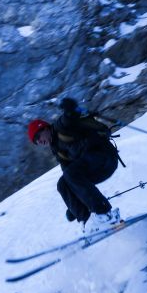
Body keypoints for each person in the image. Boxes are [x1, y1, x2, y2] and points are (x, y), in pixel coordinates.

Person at [28, 98, 123, 232]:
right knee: (63, 183)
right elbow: (69, 177)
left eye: (38, 136)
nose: (39, 141)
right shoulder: (57, 149)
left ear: (45, 128)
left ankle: (105, 214)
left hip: (104, 157)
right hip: (93, 167)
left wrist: (69, 109)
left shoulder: (60, 127)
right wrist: (75, 205)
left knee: (71, 173)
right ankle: (87, 220)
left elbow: (69, 118)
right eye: (36, 141)